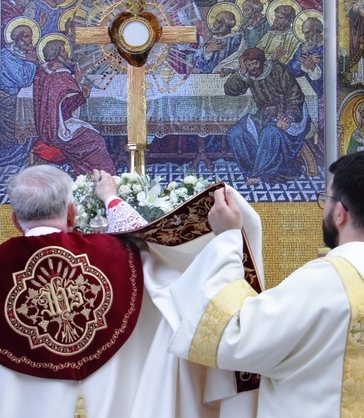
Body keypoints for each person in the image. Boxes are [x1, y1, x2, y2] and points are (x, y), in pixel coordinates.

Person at [168, 151, 364, 417]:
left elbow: (230, 334)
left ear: (340, 213)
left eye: (327, 199)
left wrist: (227, 240)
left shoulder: (330, 281)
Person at [0, 165, 148, 417]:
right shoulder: (118, 256)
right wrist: (111, 197)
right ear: (72, 213)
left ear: (15, 220)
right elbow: (153, 243)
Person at [92, 169, 262, 417]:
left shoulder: (176, 285)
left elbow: (145, 247)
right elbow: (150, 246)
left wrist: (111, 199)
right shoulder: (192, 290)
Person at [224, 47, 310, 186]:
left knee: (270, 133)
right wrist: (241, 72)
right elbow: (230, 90)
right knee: (236, 133)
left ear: (262, 62)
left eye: (255, 63)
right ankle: (252, 169)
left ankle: (260, 174)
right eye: (249, 64)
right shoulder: (249, 74)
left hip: (288, 111)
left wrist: (289, 116)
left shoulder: (277, 70)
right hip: (263, 114)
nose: (252, 67)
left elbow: (294, 94)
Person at [32, 36, 116, 175]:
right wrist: (83, 93)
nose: (66, 54)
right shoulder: (60, 74)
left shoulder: (44, 70)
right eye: (63, 51)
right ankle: (105, 176)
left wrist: (76, 84)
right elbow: (66, 105)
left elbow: (55, 101)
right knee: (95, 141)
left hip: (47, 126)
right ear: (56, 53)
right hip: (60, 128)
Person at [0, 21, 39, 151]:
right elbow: (23, 80)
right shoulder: (7, 55)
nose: (30, 40)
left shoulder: (24, 54)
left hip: (18, 98)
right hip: (8, 100)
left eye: (31, 36)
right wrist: (31, 63)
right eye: (26, 36)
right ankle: (17, 153)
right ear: (17, 39)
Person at [195, 9, 244, 74]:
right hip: (206, 76)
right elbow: (196, 64)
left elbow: (240, 60)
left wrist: (228, 69)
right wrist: (206, 50)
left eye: (218, 22)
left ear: (227, 25)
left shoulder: (238, 40)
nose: (214, 23)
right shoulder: (209, 38)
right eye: (215, 20)